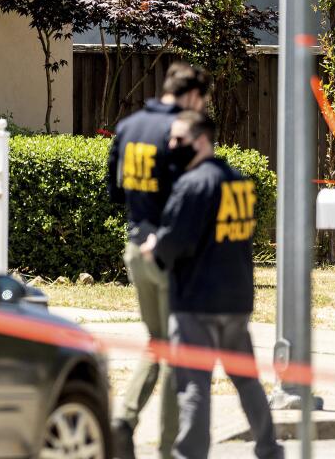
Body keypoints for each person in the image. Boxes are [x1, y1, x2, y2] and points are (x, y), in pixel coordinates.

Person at [141, 111, 282, 459]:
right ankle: (269, 448)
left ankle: (190, 454)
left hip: (195, 302)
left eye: (178, 140)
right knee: (246, 378)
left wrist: (154, 248)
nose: (171, 146)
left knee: (194, 384)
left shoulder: (192, 186)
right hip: (235, 299)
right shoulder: (237, 182)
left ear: (200, 140)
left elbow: (177, 240)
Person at [107, 61, 209, 459]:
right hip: (169, 250)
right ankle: (169, 448)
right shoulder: (179, 132)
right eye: (202, 103)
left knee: (159, 341)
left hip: (135, 246)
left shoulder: (128, 127)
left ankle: (125, 419)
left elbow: (115, 191)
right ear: (192, 95)